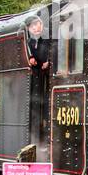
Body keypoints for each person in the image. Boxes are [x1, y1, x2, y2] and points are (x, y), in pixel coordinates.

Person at [25, 14, 52, 150]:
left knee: (47, 103)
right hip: (38, 77)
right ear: (29, 29)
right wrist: (30, 58)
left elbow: (54, 51)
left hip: (49, 76)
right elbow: (29, 53)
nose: (36, 28)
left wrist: (49, 61)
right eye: (33, 26)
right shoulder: (30, 42)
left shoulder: (47, 39)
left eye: (38, 24)